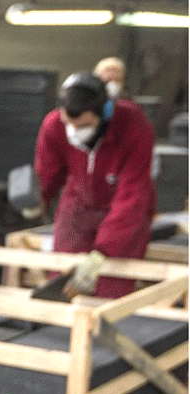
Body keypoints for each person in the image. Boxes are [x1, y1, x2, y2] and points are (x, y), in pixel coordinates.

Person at [31, 71, 156, 298]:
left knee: (109, 288)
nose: (75, 132)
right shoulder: (53, 125)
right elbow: (47, 172)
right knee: (62, 280)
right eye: (70, 124)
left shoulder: (134, 126)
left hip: (124, 211)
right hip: (78, 205)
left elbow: (132, 195)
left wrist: (102, 254)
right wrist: (38, 198)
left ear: (104, 113)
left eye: (84, 125)